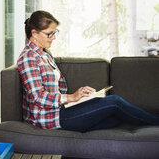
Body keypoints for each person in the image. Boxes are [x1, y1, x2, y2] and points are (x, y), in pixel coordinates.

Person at [17, 10, 159, 132]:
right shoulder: (29, 57)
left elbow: (57, 90)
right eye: (50, 34)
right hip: (49, 118)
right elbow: (38, 97)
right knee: (114, 102)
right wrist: (72, 97)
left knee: (114, 118)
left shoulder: (44, 54)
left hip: (62, 110)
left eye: (55, 32)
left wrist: (81, 98)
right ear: (34, 34)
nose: (54, 37)